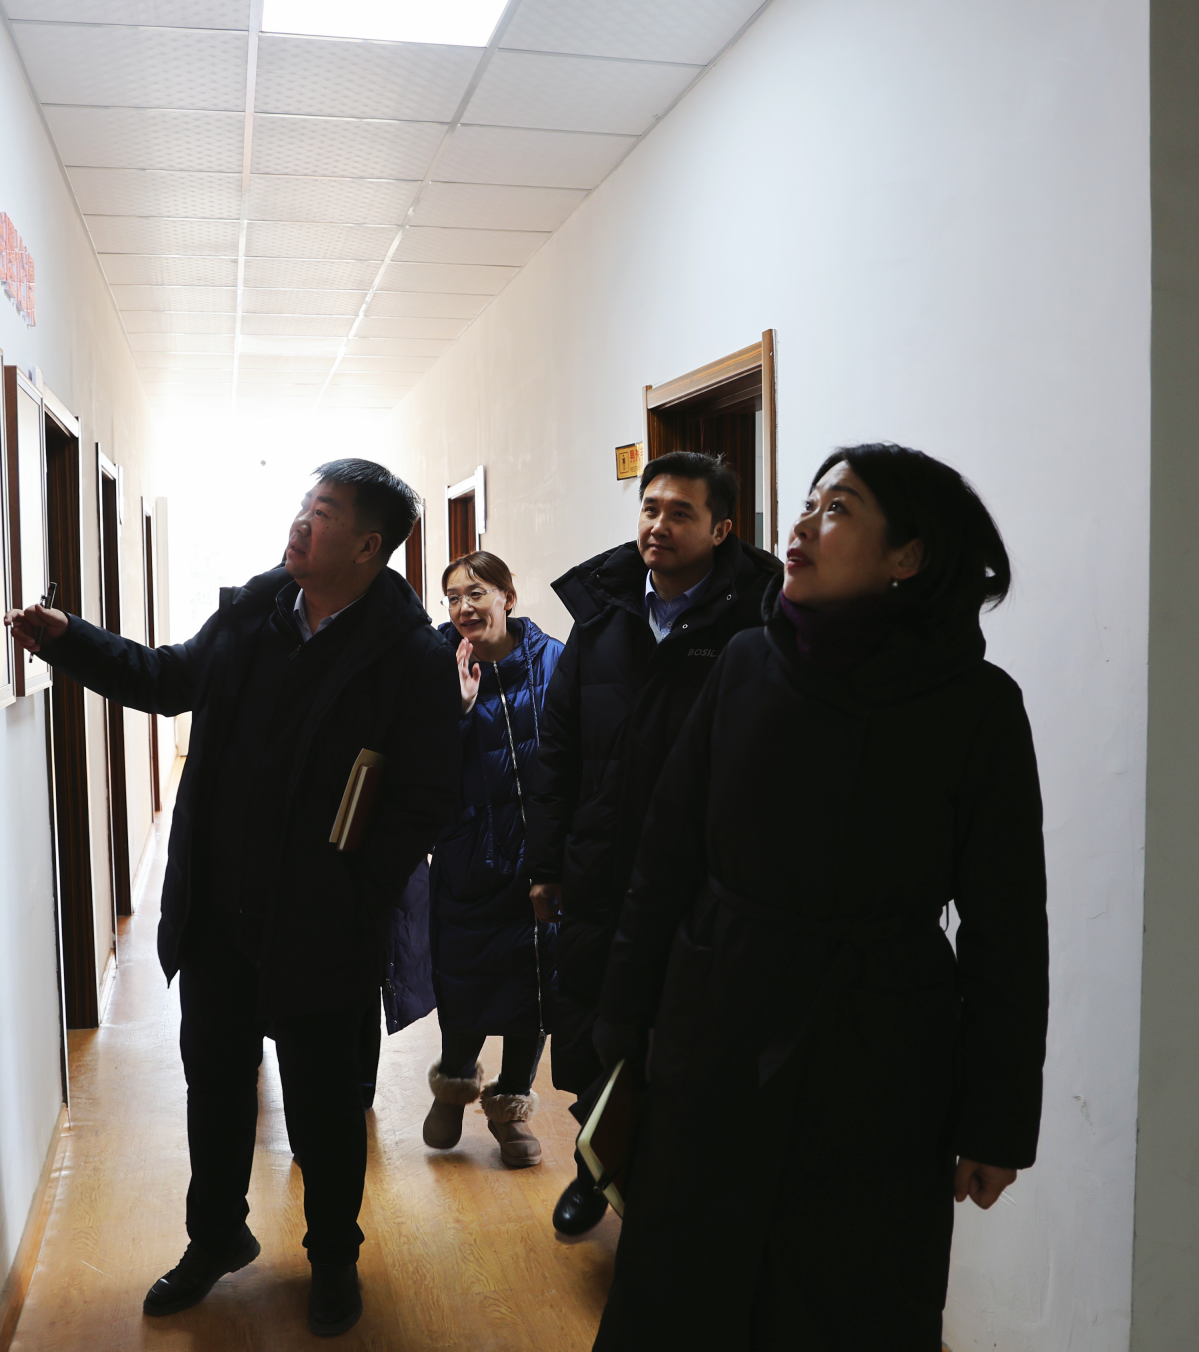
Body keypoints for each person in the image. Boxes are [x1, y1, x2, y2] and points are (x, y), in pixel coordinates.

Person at [588, 444, 1049, 1350]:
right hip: (718, 1022)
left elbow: (1007, 928)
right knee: (682, 1289)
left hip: (880, 1050)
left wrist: (997, 1120)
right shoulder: (746, 665)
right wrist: (620, 1025)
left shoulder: (977, 707)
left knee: (845, 1298)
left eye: (837, 509)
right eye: (807, 502)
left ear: (907, 555)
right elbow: (666, 855)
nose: (800, 524)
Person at [4, 459, 459, 1338]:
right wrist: (68, 638)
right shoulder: (257, 609)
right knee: (214, 1090)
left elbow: (428, 798)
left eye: (323, 513)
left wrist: (354, 893)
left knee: (326, 1111)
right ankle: (215, 1236)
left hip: (322, 928)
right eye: (303, 505)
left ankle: (333, 1258)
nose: (301, 523)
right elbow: (167, 678)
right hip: (218, 915)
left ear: (369, 546)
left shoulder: (411, 656)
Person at [520, 450, 782, 1236]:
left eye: (680, 513)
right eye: (650, 508)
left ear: (722, 529)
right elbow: (557, 748)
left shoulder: (755, 624)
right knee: (592, 1026)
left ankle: (666, 1199)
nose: (658, 525)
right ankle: (592, 1170)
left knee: (682, 1036)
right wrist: (546, 861)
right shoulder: (603, 616)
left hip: (698, 880)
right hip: (599, 865)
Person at [420, 552, 564, 1168]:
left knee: (535, 987)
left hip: (541, 861)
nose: (463, 608)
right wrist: (454, 711)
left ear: (508, 594)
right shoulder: (436, 665)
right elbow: (419, 767)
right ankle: (455, 1082)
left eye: (475, 592)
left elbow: (577, 752)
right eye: (452, 597)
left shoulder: (553, 660)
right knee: (464, 978)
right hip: (469, 857)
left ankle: (510, 1108)